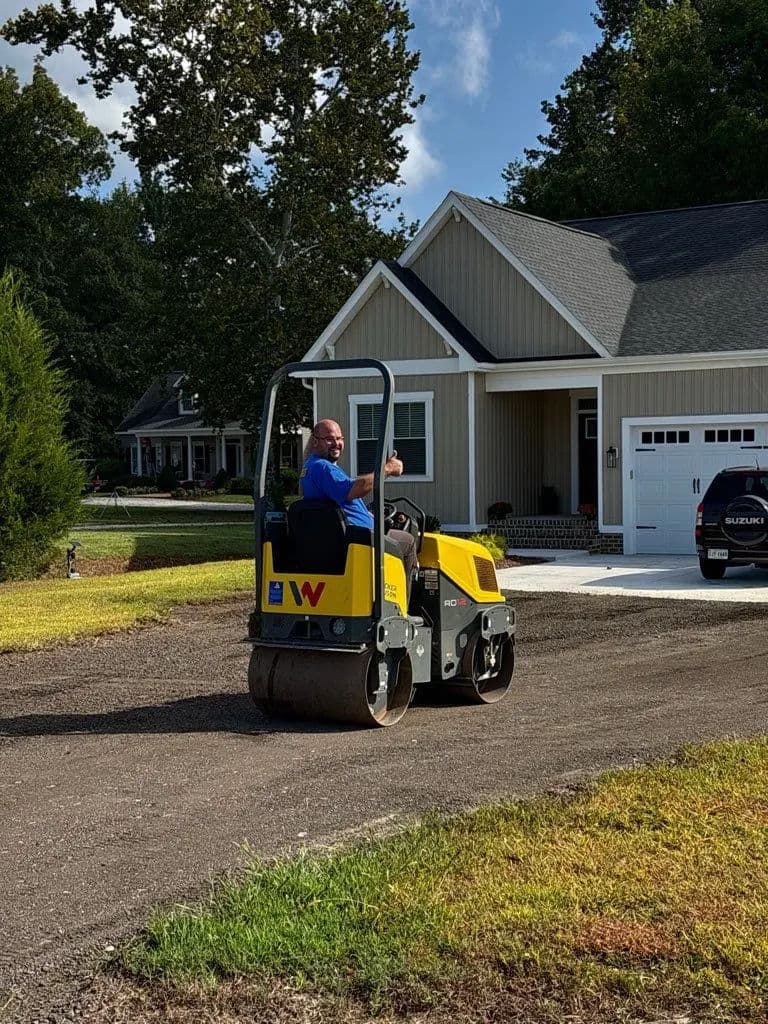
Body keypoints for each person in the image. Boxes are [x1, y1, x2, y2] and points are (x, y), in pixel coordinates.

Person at [300, 418, 418, 595]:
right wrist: (387, 469)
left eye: (340, 439)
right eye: (330, 439)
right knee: (408, 542)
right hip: (359, 539)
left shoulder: (311, 468)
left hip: (349, 533)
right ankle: (402, 609)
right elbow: (355, 489)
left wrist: (368, 515)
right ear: (315, 441)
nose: (337, 444)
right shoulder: (322, 467)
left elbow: (341, 502)